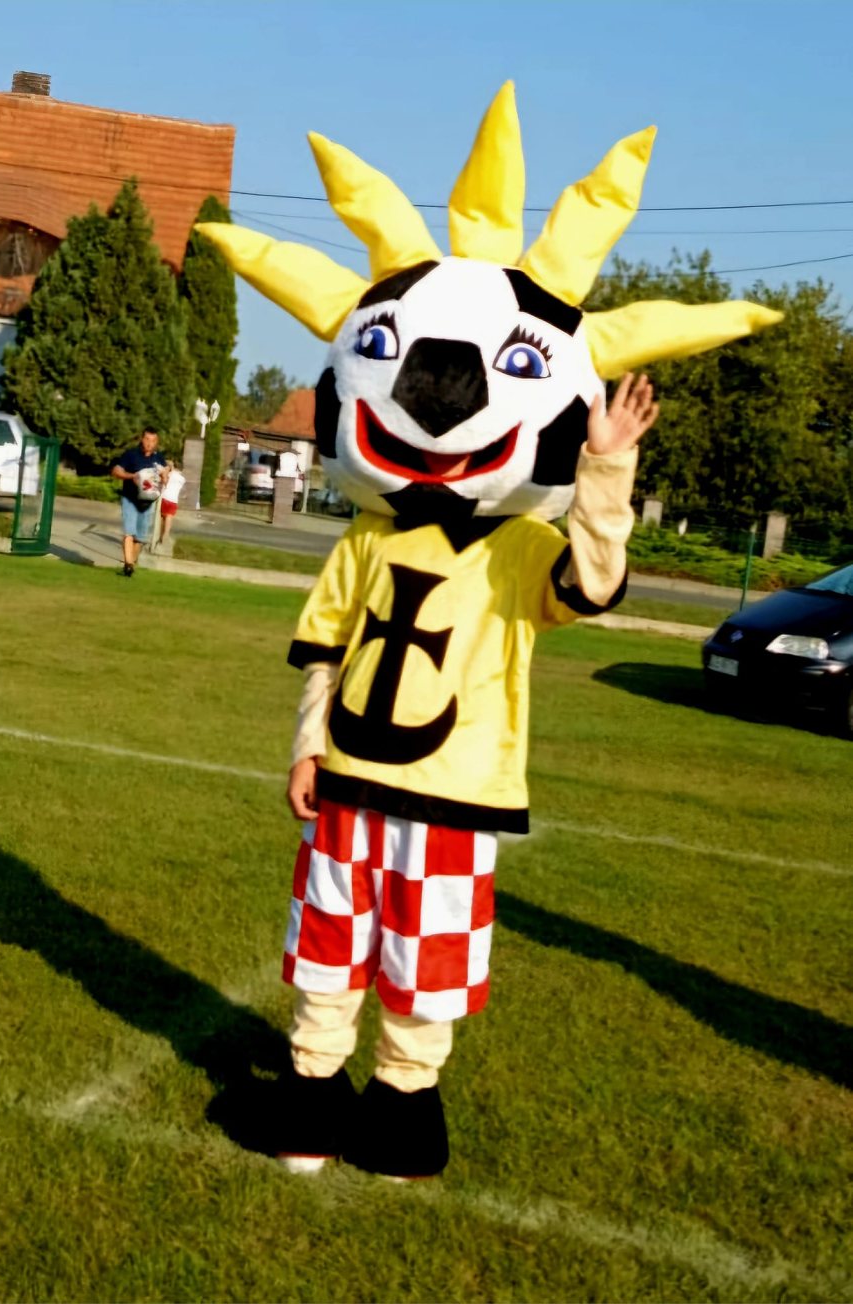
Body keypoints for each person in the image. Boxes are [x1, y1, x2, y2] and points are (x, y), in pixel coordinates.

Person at [198, 83, 782, 1180]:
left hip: (458, 794)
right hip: (351, 781)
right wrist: (306, 746)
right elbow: (324, 651)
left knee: (425, 960)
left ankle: (402, 1108)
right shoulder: (366, 538)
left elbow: (595, 582)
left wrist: (606, 466)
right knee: (328, 937)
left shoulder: (521, 549)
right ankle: (312, 1096)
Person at [110, 428, 168, 577]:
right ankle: (128, 565)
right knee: (129, 532)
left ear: (157, 442)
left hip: (147, 502)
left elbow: (165, 472)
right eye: (147, 439)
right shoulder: (131, 455)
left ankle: (132, 563)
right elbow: (116, 471)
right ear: (142, 439)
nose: (149, 443)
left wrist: (165, 477)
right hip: (130, 498)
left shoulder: (158, 458)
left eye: (153, 441)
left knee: (140, 538)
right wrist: (132, 477)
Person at [156, 460, 186, 550]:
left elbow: (163, 476)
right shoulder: (182, 479)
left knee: (162, 517)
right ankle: (166, 534)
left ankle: (160, 535)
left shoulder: (170, 474)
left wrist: (168, 467)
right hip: (174, 500)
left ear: (174, 467)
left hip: (164, 497)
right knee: (169, 517)